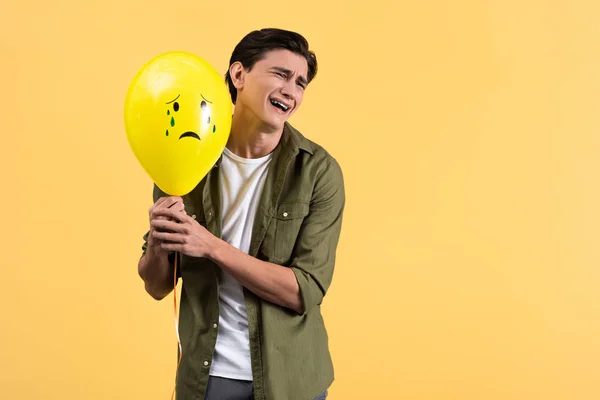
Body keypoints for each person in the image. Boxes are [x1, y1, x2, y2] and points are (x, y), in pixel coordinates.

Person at [138, 28, 345, 400]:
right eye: (280, 74)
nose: (291, 91)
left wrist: (211, 247)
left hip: (292, 378)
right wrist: (157, 242)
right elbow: (157, 286)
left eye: (300, 83)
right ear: (238, 75)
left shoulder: (317, 171)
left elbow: (304, 291)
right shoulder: (184, 156)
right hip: (208, 376)